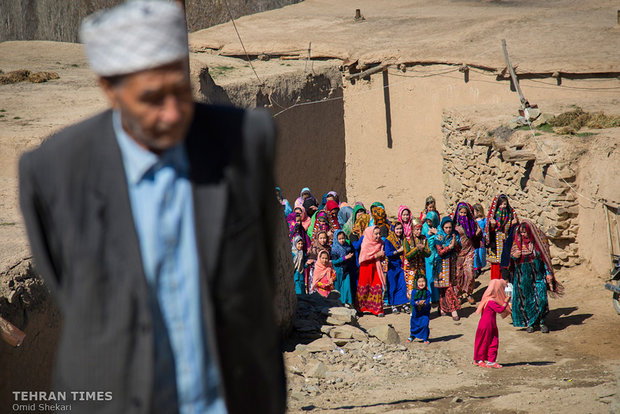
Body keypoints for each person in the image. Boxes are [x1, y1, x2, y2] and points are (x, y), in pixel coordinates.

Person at [17, 2, 285, 413]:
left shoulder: (244, 141)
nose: (173, 112)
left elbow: (262, 267)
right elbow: (67, 287)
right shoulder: (55, 172)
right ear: (110, 88)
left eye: (180, 90)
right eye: (152, 99)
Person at [510, 220, 563, 334]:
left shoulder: (539, 242)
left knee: (542, 298)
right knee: (528, 300)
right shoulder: (517, 243)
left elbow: (546, 259)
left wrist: (548, 273)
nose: (523, 235)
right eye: (521, 232)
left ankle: (542, 321)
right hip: (523, 277)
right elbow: (511, 258)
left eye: (525, 232)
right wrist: (514, 256)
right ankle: (531, 323)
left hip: (539, 274)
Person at [474, 279, 511, 368]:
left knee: (493, 341)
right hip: (487, 325)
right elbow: (500, 310)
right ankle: (480, 359)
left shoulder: (489, 299)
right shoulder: (490, 301)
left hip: (490, 324)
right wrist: (506, 301)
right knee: (484, 342)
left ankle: (491, 360)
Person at [453, 202, 483, 305]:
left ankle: (469, 293)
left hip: (470, 251)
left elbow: (476, 234)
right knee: (459, 275)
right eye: (461, 212)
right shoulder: (454, 225)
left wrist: (478, 233)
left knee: (470, 273)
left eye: (465, 213)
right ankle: (459, 295)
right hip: (459, 253)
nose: (463, 215)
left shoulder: (472, 223)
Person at [485, 194, 519, 280]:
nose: (502, 207)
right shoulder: (493, 217)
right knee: (496, 266)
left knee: (507, 263)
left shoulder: (510, 215)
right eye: (501, 205)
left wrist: (514, 223)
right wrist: (491, 225)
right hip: (496, 244)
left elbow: (514, 229)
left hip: (506, 242)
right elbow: (489, 232)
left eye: (504, 204)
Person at [434, 216, 462, 321]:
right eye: (446, 227)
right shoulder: (439, 237)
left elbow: (459, 249)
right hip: (441, 265)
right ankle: (453, 309)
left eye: (450, 227)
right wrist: (449, 247)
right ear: (442, 227)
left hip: (452, 264)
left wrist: (455, 243)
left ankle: (442, 308)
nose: (448, 230)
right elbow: (440, 252)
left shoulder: (455, 235)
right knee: (447, 287)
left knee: (447, 287)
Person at [357, 226, 386, 316]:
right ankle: (361, 308)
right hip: (366, 267)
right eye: (376, 234)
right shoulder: (366, 243)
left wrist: (381, 256)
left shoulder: (381, 243)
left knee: (377, 286)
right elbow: (363, 258)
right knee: (365, 287)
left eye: (379, 233)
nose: (378, 236)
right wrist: (376, 255)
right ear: (370, 234)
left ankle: (377, 310)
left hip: (376, 267)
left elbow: (382, 256)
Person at [403, 218, 431, 302]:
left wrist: (422, 250)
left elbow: (428, 253)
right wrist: (416, 249)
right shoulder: (407, 240)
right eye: (417, 229)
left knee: (422, 287)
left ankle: (422, 308)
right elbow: (407, 255)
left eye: (420, 229)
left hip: (421, 268)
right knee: (411, 288)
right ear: (412, 229)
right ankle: (413, 308)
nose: (419, 231)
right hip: (410, 269)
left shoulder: (424, 239)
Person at [384, 222, 409, 313]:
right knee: (392, 285)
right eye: (397, 229)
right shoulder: (389, 240)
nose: (399, 231)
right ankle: (393, 305)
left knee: (402, 284)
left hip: (402, 265)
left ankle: (404, 303)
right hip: (392, 266)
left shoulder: (404, 238)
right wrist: (398, 251)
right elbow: (388, 253)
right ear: (393, 229)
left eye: (400, 228)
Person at [331, 230, 356, 305]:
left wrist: (350, 257)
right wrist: (344, 258)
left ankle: (348, 302)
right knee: (338, 288)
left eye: (343, 238)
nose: (342, 240)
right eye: (340, 239)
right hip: (338, 271)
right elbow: (334, 262)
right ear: (336, 239)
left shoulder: (347, 246)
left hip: (346, 270)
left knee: (347, 287)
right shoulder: (334, 249)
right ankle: (339, 303)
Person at [422, 211, 441, 304]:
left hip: (437, 255)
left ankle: (438, 297)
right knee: (430, 277)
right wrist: (428, 235)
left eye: (431, 221)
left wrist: (436, 233)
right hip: (428, 256)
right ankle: (431, 297)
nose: (429, 223)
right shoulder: (424, 227)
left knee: (437, 276)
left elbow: (442, 237)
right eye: (428, 221)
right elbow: (421, 238)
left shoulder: (439, 227)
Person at [408, 277, 431, 344]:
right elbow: (412, 301)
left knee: (425, 324)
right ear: (416, 283)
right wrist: (417, 303)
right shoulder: (414, 291)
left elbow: (428, 301)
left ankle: (425, 338)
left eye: (423, 281)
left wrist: (424, 303)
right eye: (419, 282)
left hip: (425, 311)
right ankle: (412, 335)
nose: (421, 283)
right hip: (416, 311)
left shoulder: (427, 292)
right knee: (415, 324)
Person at [473, 203, 487, 277]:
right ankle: (475, 269)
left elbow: (486, 229)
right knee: (475, 254)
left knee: (480, 254)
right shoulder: (473, 221)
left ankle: (480, 267)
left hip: (481, 240)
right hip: (475, 239)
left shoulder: (483, 220)